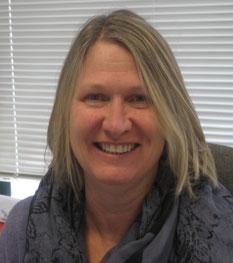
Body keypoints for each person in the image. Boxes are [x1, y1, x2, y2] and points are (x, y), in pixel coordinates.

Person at [0, 9, 233, 263]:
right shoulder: (21, 231)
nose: (116, 124)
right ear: (65, 112)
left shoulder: (224, 233)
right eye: (96, 97)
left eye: (139, 99)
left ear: (171, 115)